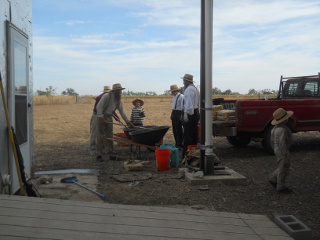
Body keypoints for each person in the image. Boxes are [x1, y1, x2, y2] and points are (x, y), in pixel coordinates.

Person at [96, 83, 134, 162]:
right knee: (100, 136)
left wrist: (128, 122)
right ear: (115, 91)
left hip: (109, 117)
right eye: (119, 91)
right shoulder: (107, 96)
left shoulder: (118, 100)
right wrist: (101, 117)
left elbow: (122, 112)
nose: (120, 92)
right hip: (101, 117)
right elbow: (99, 107)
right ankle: (99, 155)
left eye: (120, 91)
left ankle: (111, 154)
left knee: (110, 135)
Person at [268, 108, 294, 194]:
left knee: (281, 165)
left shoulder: (274, 129)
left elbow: (272, 141)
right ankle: (281, 186)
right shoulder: (283, 130)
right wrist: (285, 153)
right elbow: (282, 143)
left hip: (276, 148)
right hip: (281, 149)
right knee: (284, 167)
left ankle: (273, 178)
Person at [181, 73, 200, 158]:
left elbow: (189, 104)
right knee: (194, 136)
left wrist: (186, 114)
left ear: (186, 81)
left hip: (190, 114)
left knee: (187, 136)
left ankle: (186, 156)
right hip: (195, 113)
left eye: (183, 80)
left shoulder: (188, 90)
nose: (183, 82)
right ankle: (194, 155)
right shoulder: (195, 89)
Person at [89, 86, 111, 155]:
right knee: (95, 132)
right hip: (96, 115)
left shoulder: (109, 98)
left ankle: (104, 148)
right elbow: (97, 109)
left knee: (104, 132)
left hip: (105, 115)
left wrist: (116, 117)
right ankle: (93, 149)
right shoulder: (99, 98)